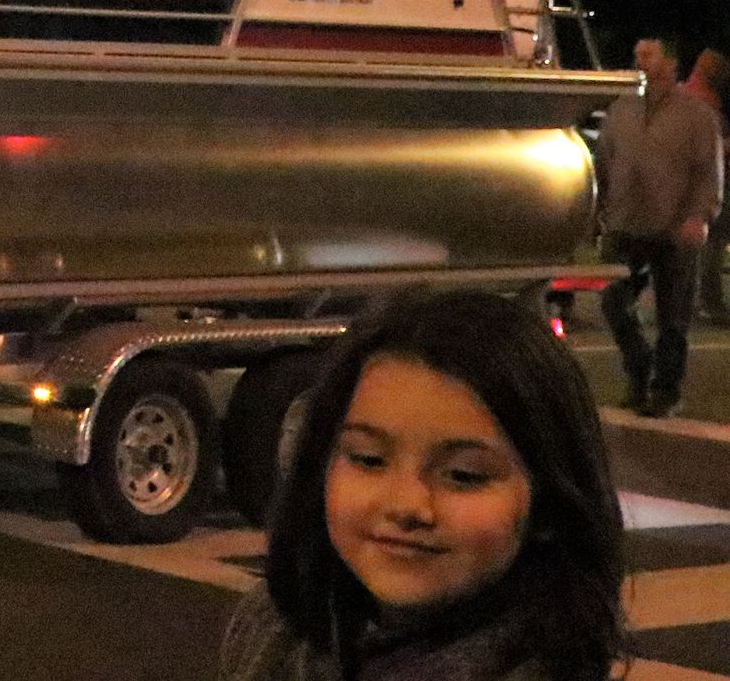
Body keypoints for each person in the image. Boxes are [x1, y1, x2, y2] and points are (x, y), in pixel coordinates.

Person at [220, 286, 626, 681]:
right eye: (368, 459)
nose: (407, 505)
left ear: (549, 504)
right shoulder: (275, 632)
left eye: (464, 476)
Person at [598, 34, 723, 415]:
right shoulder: (620, 110)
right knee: (613, 301)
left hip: (675, 227)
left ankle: (665, 391)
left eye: (647, 55)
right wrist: (600, 206)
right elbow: (603, 159)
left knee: (673, 317)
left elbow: (709, 172)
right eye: (636, 55)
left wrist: (699, 216)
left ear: (670, 63)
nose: (639, 62)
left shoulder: (697, 115)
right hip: (624, 224)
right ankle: (640, 369)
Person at [686, 46, 730, 324]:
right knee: (713, 242)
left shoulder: (685, 99)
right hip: (710, 183)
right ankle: (709, 302)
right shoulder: (707, 108)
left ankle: (695, 300)